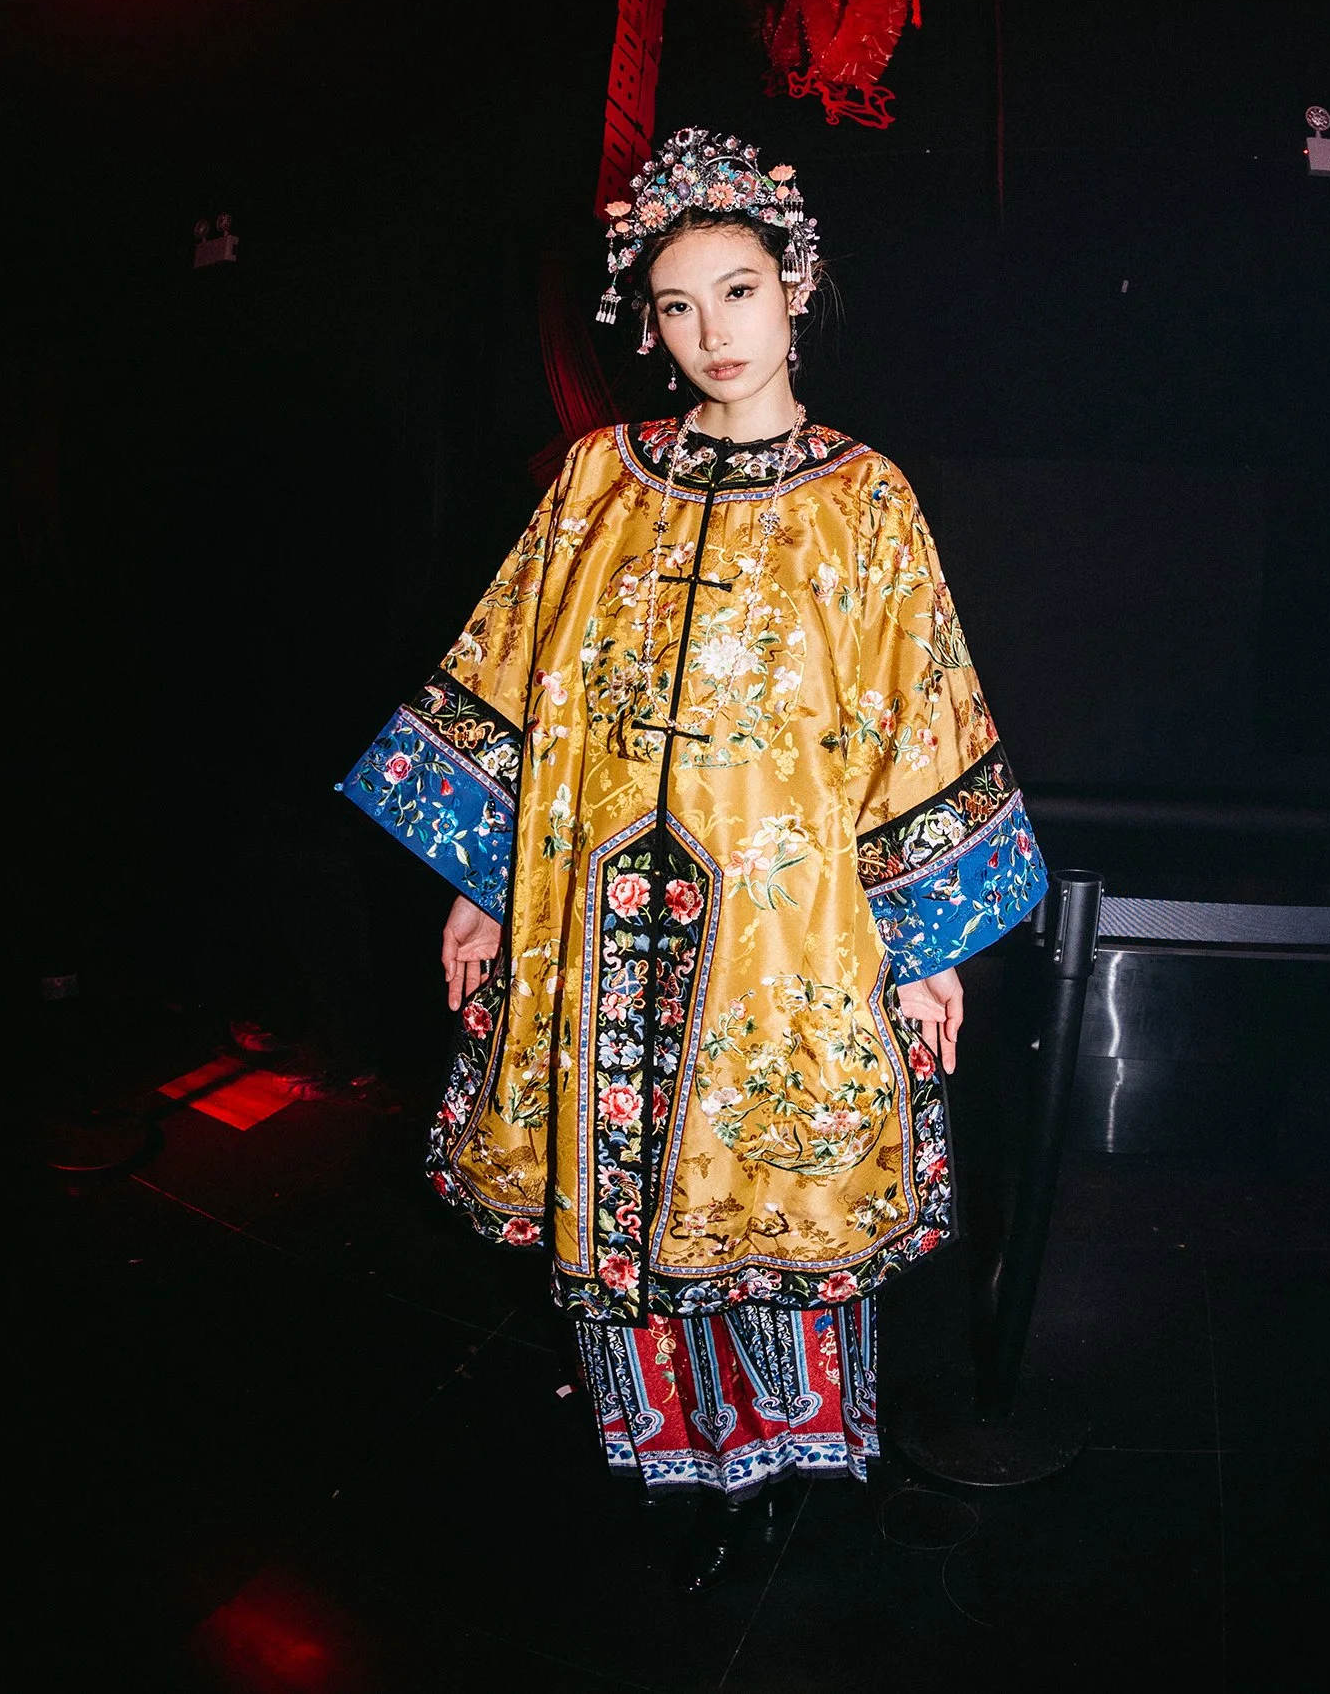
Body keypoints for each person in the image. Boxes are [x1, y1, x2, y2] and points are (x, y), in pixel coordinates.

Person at [341, 126, 1047, 1580]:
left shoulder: (867, 501)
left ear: (797, 288)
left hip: (788, 930)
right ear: (649, 324)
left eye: (737, 291)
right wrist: (476, 883)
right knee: (613, 1179)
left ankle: (787, 1446)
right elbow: (510, 678)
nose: (711, 332)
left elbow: (922, 714)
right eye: (677, 305)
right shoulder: (598, 480)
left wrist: (928, 952)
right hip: (591, 917)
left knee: (770, 1167)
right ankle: (658, 1449)